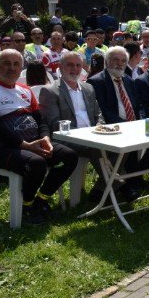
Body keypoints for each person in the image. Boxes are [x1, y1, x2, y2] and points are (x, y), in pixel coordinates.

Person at [0, 49, 79, 225]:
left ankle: (41, 199)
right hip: (3, 149)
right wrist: (27, 146)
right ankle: (27, 205)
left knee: (70, 155)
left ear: (22, 67)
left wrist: (45, 138)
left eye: (16, 64)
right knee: (36, 163)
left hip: (33, 144)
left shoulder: (25, 90)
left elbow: (41, 120)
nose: (12, 68)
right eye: (7, 63)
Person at [39, 52, 104, 198]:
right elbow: (54, 124)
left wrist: (100, 126)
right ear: (60, 67)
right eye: (69, 65)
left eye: (78, 65)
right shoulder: (50, 91)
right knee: (97, 149)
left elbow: (98, 113)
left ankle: (101, 188)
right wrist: (86, 135)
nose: (74, 69)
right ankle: (120, 185)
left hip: (95, 134)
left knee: (123, 147)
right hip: (68, 139)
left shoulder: (88, 88)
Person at [87, 46, 141, 125]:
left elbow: (138, 105)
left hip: (135, 125)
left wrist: (141, 122)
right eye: (116, 60)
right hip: (115, 127)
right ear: (107, 61)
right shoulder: (96, 82)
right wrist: (128, 125)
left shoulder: (128, 80)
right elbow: (103, 112)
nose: (120, 63)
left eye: (123, 61)